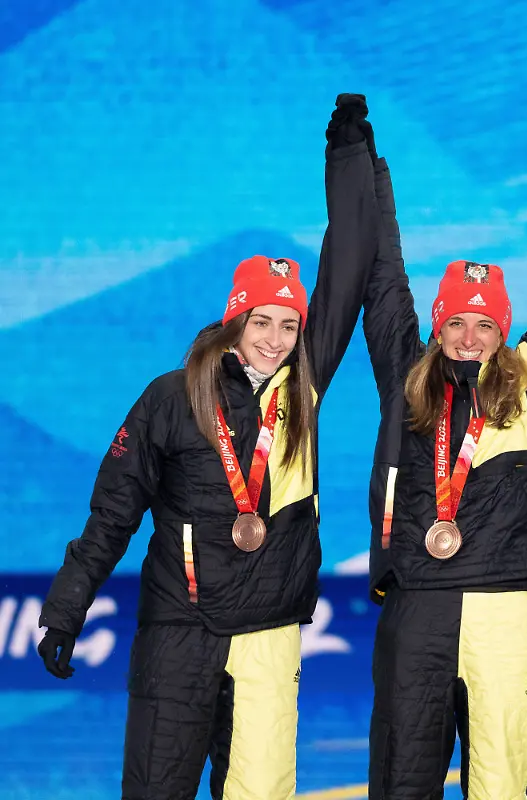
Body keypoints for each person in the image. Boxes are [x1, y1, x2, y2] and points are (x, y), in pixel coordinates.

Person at [35, 94, 380, 799]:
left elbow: (347, 268)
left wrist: (346, 157)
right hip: (178, 632)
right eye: (263, 320)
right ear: (235, 317)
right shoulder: (170, 396)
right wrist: (66, 608)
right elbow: (113, 514)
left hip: (268, 634)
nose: (276, 339)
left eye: (290, 325)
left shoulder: (302, 389)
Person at [357, 117, 527, 799]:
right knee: (405, 783)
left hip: (505, 609)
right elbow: (382, 276)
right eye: (455, 321)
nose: (468, 336)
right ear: (438, 325)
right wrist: (369, 174)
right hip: (419, 607)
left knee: (501, 786)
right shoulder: (407, 377)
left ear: (503, 329)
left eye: (483, 323)